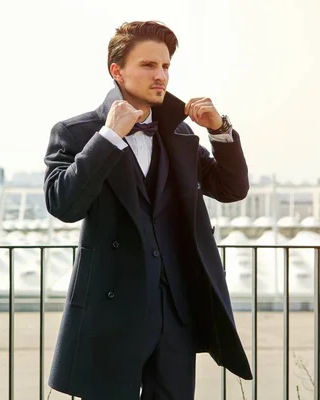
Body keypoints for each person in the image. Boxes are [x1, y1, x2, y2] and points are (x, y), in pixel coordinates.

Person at [43, 20, 252, 400]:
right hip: (111, 311)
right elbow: (63, 204)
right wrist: (108, 138)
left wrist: (219, 130)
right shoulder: (75, 132)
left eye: (166, 66)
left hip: (175, 309)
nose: (161, 76)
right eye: (149, 66)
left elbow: (231, 188)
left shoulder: (181, 134)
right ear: (117, 71)